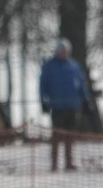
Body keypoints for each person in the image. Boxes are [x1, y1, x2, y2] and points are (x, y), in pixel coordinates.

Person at [39, 38, 91, 172]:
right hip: (57, 107)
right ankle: (54, 163)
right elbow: (43, 85)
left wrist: (85, 100)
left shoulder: (74, 66)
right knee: (57, 136)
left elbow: (81, 84)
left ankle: (69, 162)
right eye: (61, 50)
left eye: (66, 51)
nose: (64, 53)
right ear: (57, 51)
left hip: (73, 106)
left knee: (70, 136)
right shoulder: (50, 66)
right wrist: (43, 101)